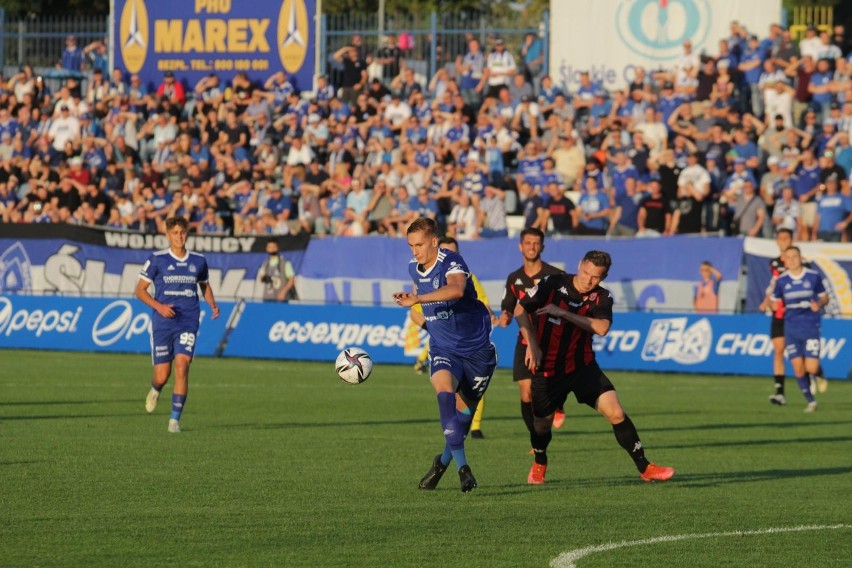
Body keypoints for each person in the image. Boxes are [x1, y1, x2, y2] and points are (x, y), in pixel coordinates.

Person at [513, 250, 674, 484]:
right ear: (579, 265)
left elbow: (602, 328)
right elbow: (520, 309)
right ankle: (539, 462)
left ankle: (645, 467)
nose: (588, 280)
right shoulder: (553, 282)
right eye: (586, 272)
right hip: (547, 370)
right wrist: (532, 344)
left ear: (603, 277)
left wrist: (563, 313)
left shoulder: (602, 298)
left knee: (616, 412)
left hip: (583, 368)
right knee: (541, 424)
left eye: (595, 277)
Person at [393, 218, 497, 492]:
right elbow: (421, 298)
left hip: (477, 352)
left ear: (434, 241)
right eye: (410, 245)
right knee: (444, 397)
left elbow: (456, 289)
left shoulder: (452, 261)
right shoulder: (412, 268)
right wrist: (414, 302)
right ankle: (464, 470)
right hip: (442, 348)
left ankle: (441, 462)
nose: (414, 251)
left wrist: (418, 300)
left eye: (419, 245)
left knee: (461, 422)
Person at [135, 217, 220, 433]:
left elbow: (204, 285)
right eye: (175, 232)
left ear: (187, 233)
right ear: (167, 235)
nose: (179, 236)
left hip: (188, 320)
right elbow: (140, 290)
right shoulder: (157, 259)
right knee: (162, 375)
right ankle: (155, 389)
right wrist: (159, 306)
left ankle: (174, 421)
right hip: (163, 321)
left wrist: (212, 304)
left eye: (182, 232)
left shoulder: (199, 261)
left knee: (182, 366)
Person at [411, 236, 494, 439]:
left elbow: (484, 304)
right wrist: (435, 328)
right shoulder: (424, 276)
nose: (447, 257)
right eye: (444, 251)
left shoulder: (467, 278)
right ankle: (456, 440)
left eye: (452, 252)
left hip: (470, 339)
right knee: (447, 391)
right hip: (446, 345)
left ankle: (473, 426)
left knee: (472, 391)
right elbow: (414, 311)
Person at [497, 228, 566, 439]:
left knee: (551, 387)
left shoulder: (555, 276)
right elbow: (508, 306)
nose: (532, 247)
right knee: (526, 392)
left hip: (551, 340)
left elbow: (568, 305)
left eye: (536, 243)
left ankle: (559, 405)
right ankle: (535, 438)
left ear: (542, 247)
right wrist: (505, 316)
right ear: (520, 246)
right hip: (525, 339)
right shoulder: (514, 278)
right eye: (528, 243)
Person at [759, 229, 828, 405]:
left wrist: (817, 305)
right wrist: (767, 301)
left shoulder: (808, 272)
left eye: (786, 238)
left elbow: (819, 294)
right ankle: (780, 392)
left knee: (807, 364)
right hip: (782, 315)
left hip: (803, 319)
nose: (783, 241)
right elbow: (773, 287)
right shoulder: (775, 264)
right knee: (778, 350)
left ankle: (814, 374)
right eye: (780, 238)